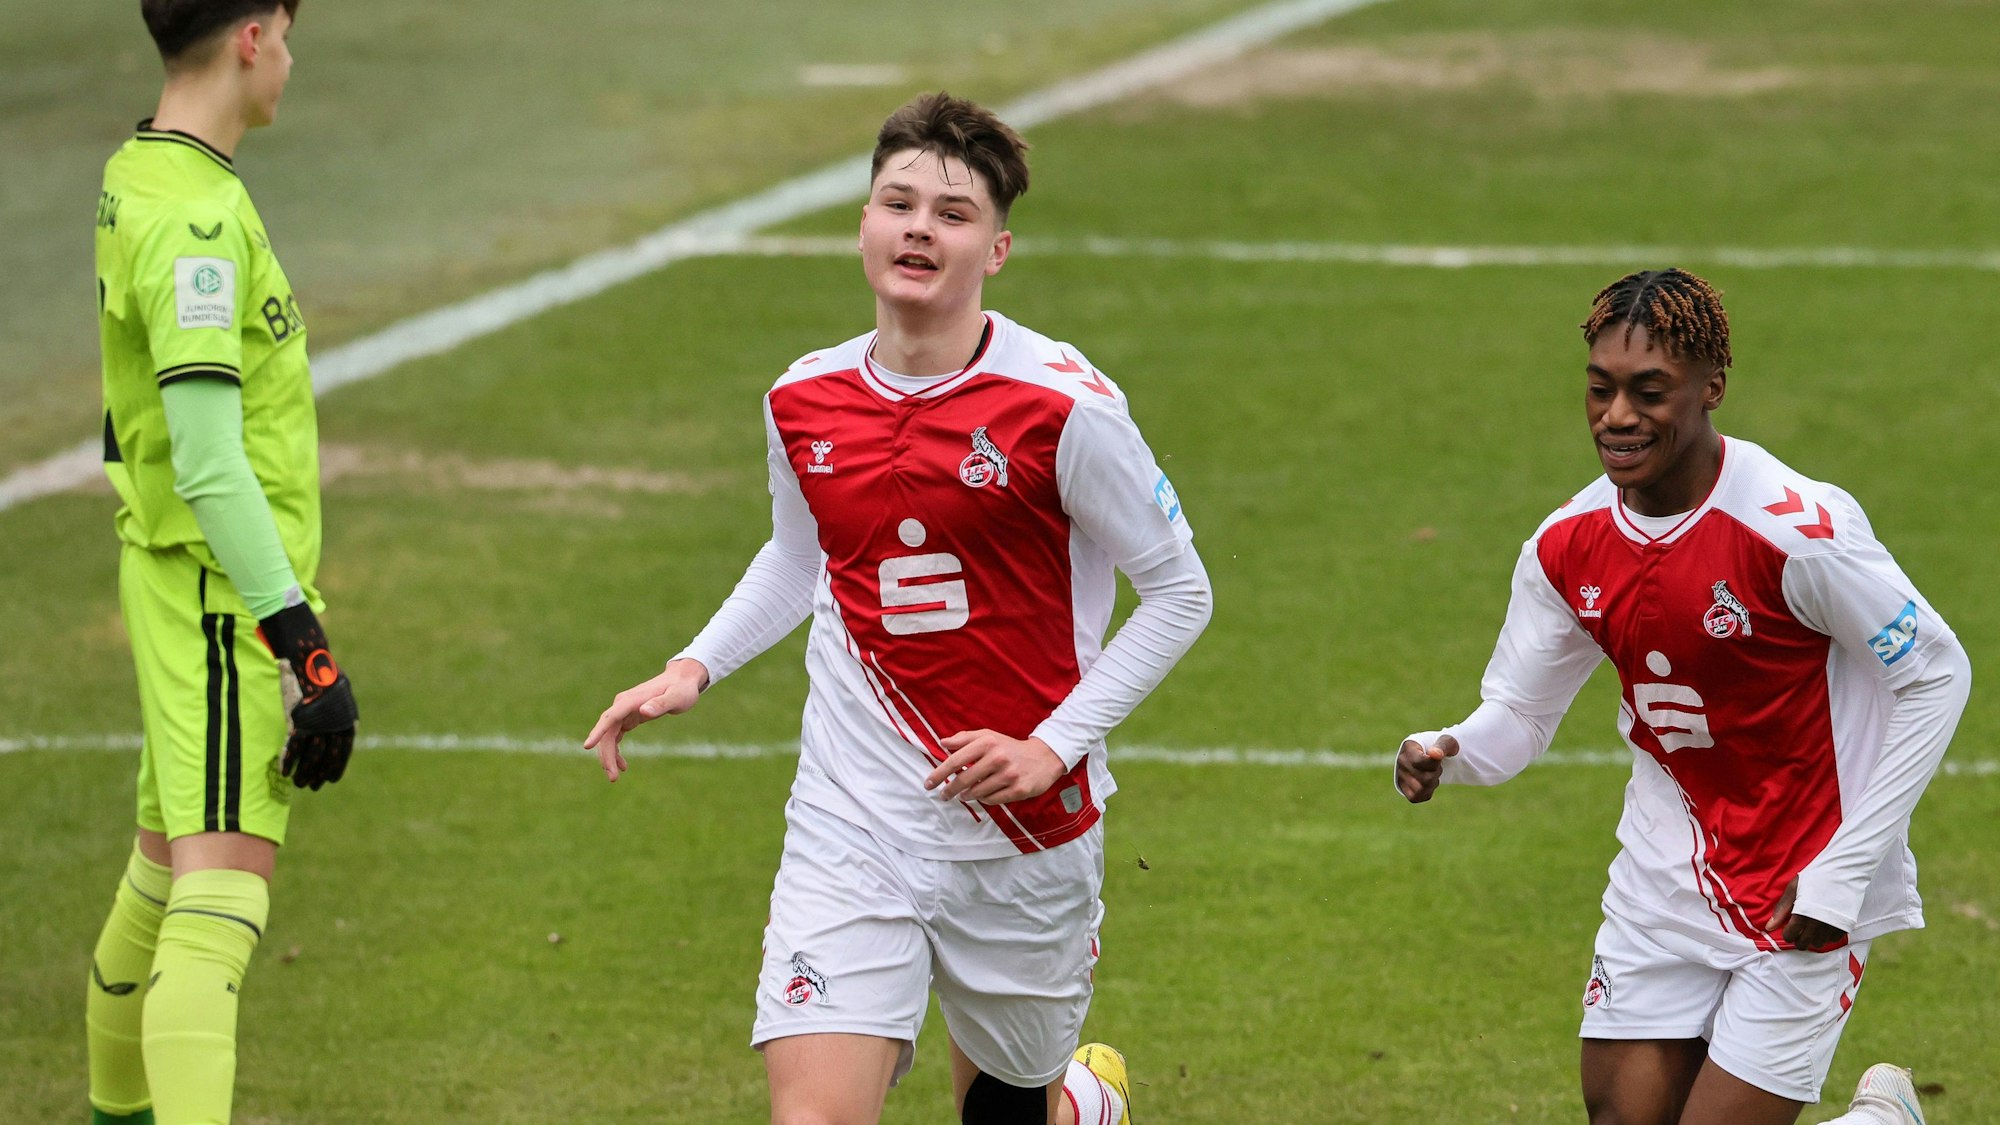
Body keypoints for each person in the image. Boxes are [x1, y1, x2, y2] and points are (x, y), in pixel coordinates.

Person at [585, 92, 1211, 1125]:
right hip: (852, 817)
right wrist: (693, 666)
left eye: (951, 214)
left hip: (1019, 832)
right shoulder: (801, 397)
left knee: (1003, 1110)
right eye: (897, 202)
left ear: (995, 250)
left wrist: (1050, 747)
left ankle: (1081, 1104)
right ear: (864, 224)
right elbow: (799, 558)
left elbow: (1180, 592)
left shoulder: (1065, 408)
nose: (919, 227)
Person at [1395, 268, 1967, 1125]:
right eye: (1600, 389)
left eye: (1648, 391)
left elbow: (1936, 670)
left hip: (1801, 892)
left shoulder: (1793, 533)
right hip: (1662, 888)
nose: (1617, 416)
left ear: (1712, 388)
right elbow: (1520, 711)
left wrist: (1844, 872)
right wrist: (1451, 748)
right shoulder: (1566, 546)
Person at [87, 3, 358, 1122]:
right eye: (288, 35)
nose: (291, 61)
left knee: (162, 868)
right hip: (218, 604)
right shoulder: (196, 225)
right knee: (219, 903)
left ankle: (114, 1111)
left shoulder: (137, 168)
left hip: (172, 582)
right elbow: (206, 460)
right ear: (251, 35)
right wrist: (300, 641)